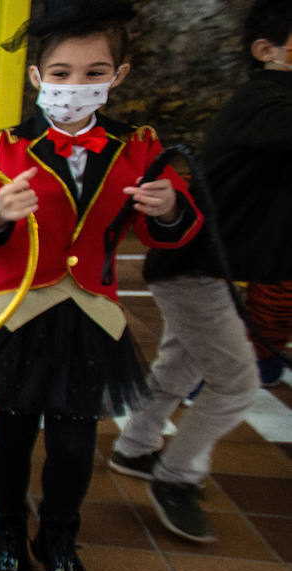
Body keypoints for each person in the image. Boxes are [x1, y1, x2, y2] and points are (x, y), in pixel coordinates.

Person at [0, 0, 202, 571]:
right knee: (13, 432)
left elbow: (171, 230)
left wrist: (168, 209)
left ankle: (59, 541)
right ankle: (6, 535)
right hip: (20, 311)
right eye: (60, 74)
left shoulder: (138, 149)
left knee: (74, 444)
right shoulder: (3, 149)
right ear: (37, 78)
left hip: (90, 315)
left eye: (93, 72)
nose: (75, 87)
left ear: (119, 75)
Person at [108, 0, 292, 542]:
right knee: (235, 381)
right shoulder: (266, 99)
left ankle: (136, 447)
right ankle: (177, 477)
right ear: (266, 51)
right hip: (195, 265)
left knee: (183, 363)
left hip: (206, 266)